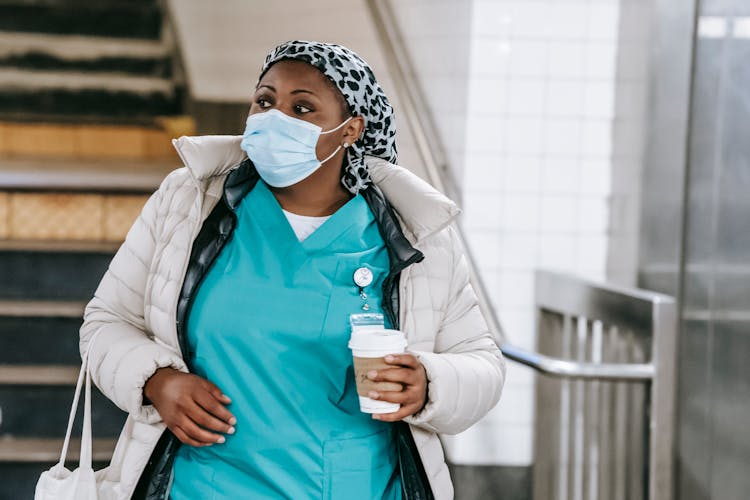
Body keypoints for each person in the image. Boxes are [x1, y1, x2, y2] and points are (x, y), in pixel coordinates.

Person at [79, 40, 505, 500]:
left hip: (356, 487)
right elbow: (106, 321)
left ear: (351, 130)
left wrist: (428, 384)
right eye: (265, 101)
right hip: (201, 485)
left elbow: (481, 361)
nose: (274, 118)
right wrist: (156, 380)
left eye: (302, 108)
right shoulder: (189, 203)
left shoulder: (414, 235)